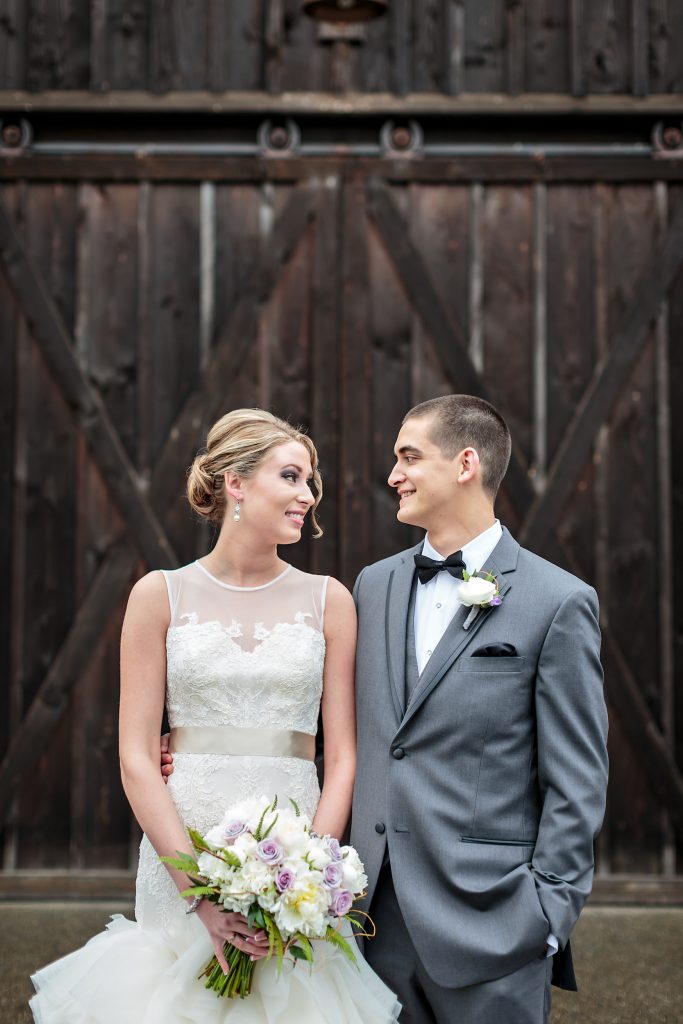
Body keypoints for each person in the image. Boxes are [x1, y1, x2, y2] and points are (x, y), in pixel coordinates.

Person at [29, 409, 400, 1023]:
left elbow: (343, 759)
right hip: (183, 854)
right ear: (236, 483)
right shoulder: (158, 595)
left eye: (311, 482)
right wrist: (197, 894)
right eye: (292, 477)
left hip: (293, 862)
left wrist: (312, 876)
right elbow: (136, 757)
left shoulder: (330, 601)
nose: (308, 496)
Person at [351, 394, 609, 1023]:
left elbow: (578, 777)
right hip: (369, 926)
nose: (393, 476)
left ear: (466, 463)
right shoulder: (372, 585)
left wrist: (547, 913)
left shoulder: (559, 601)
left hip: (494, 925)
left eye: (409, 457)